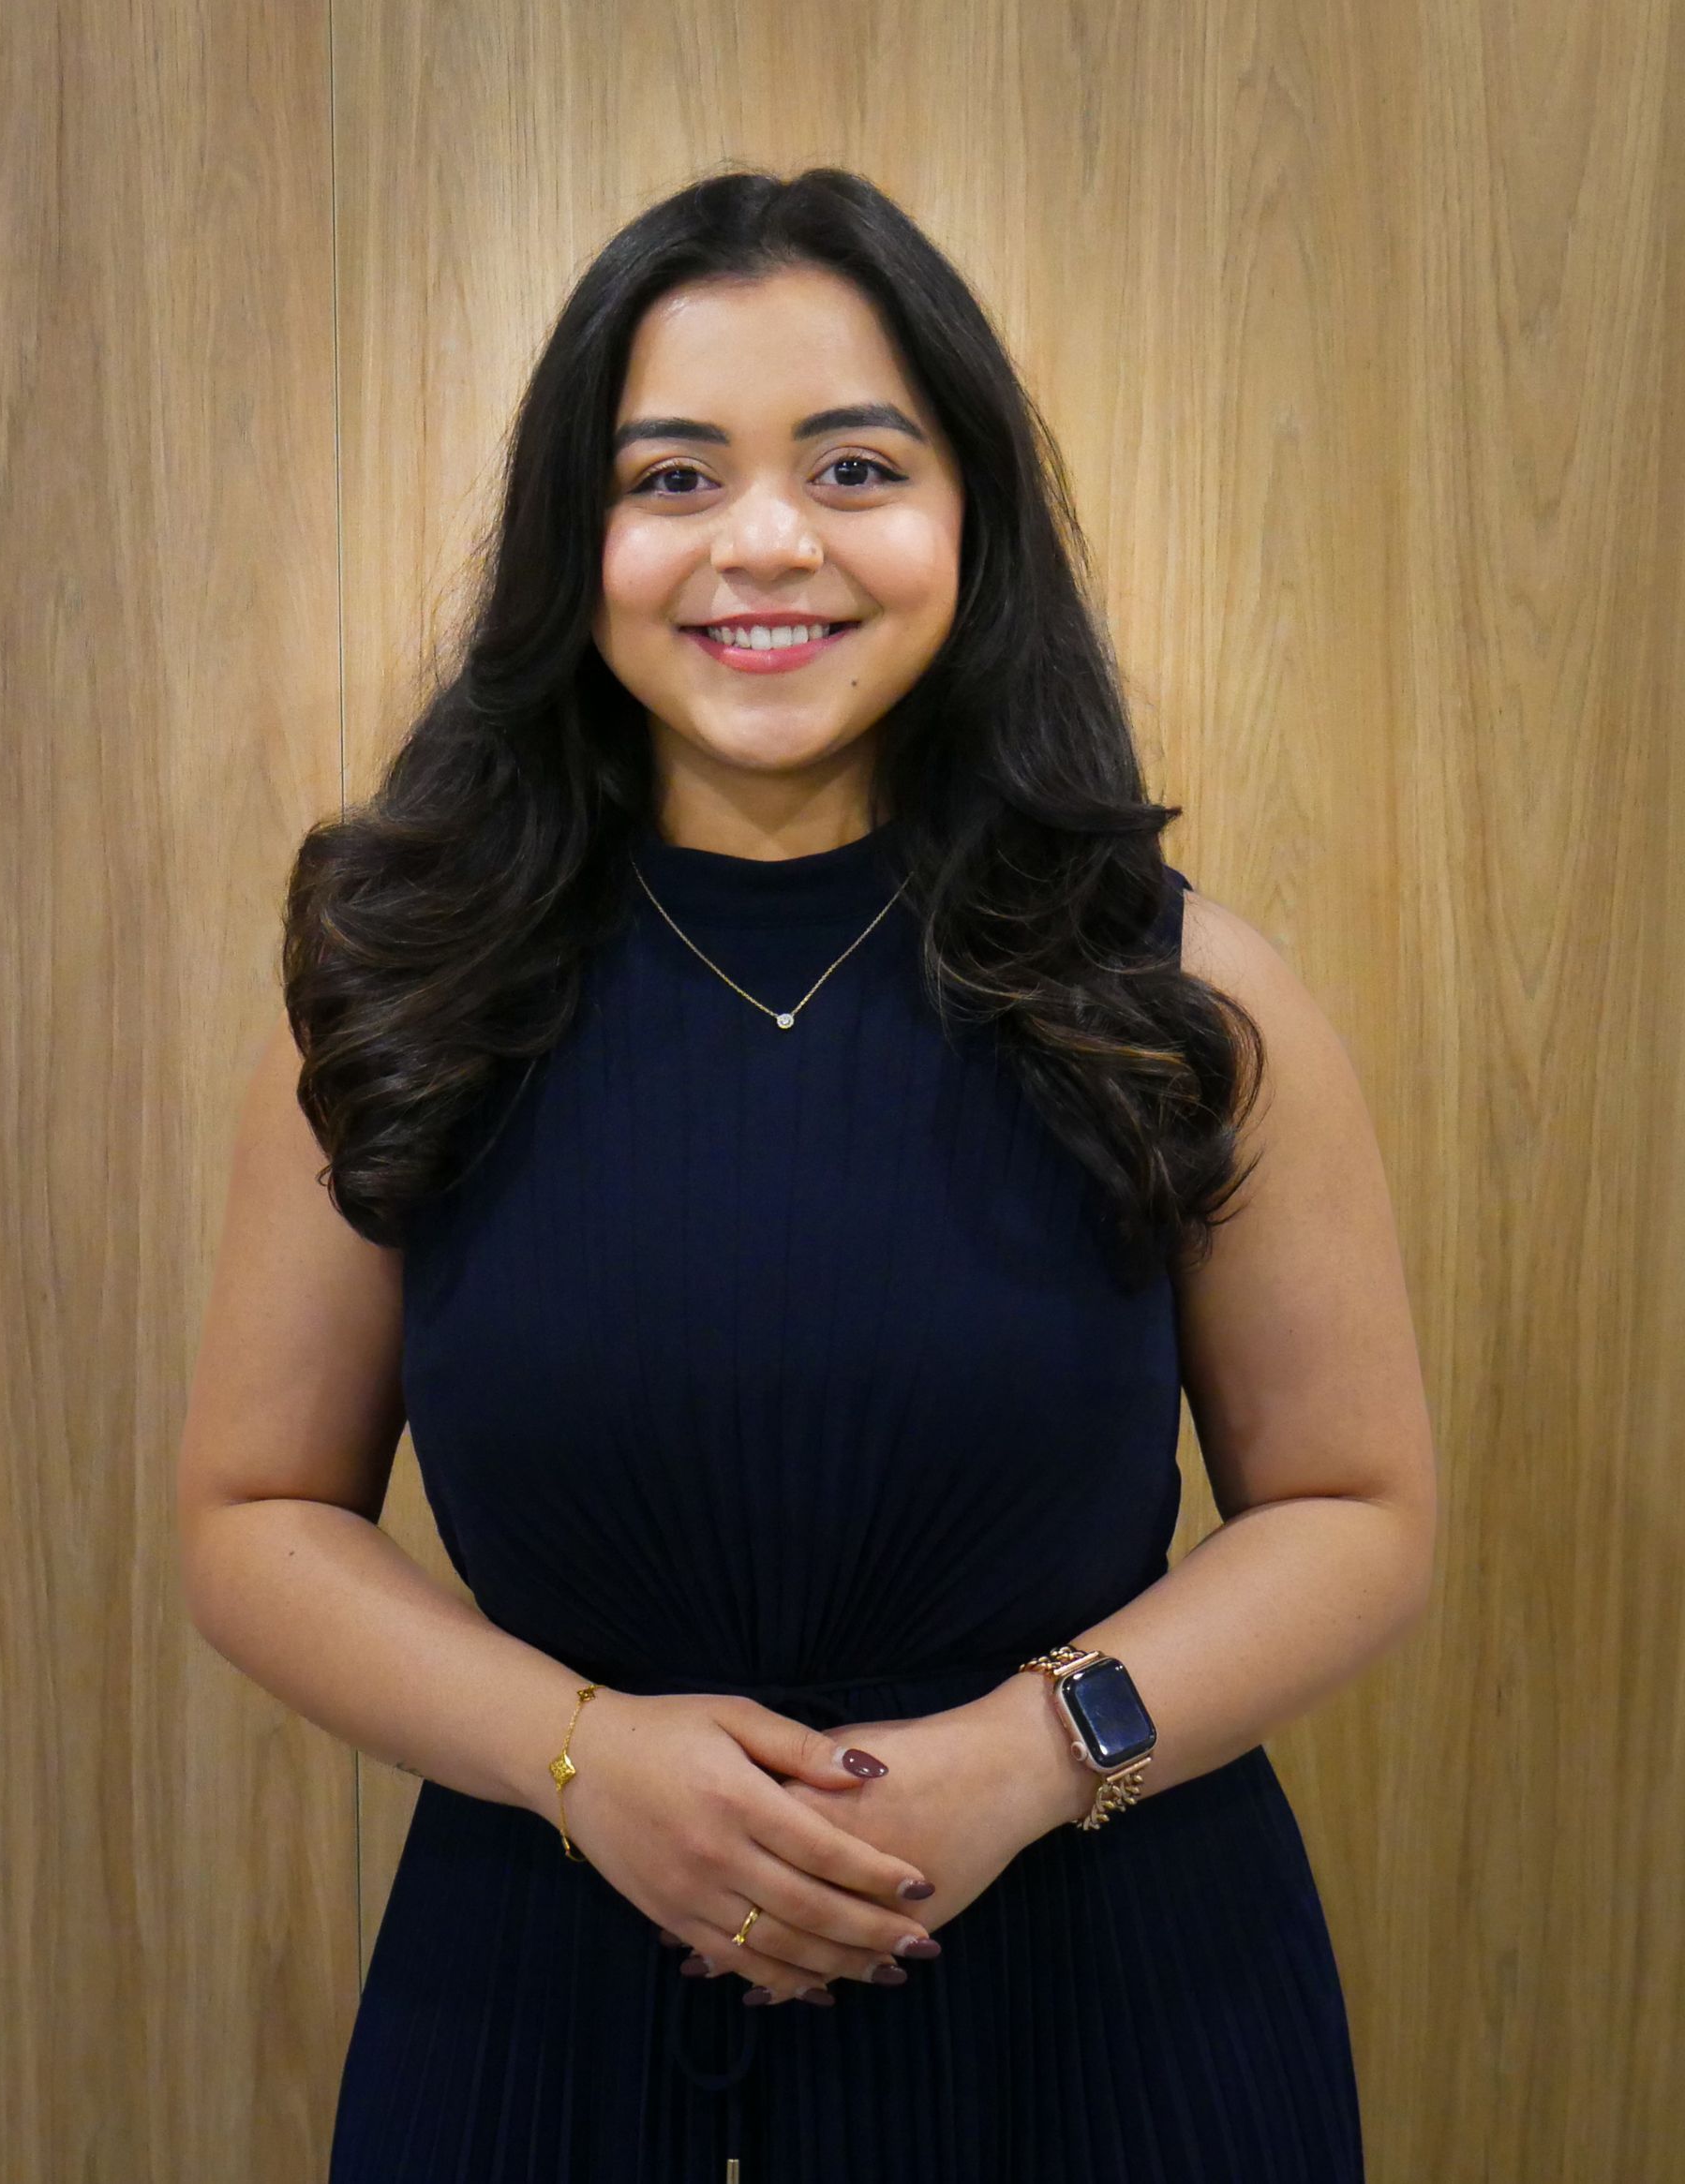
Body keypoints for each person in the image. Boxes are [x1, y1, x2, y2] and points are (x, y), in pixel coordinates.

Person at [177, 167, 1438, 2181]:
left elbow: (1356, 1508)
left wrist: (1032, 1757)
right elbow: (254, 1514)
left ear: (973, 524)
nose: (764, 541)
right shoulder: (405, 991)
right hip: (544, 1997)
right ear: (574, 544)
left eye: (856, 467)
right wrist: (582, 1760)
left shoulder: (1179, 993)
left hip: (1113, 2000)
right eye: (672, 477)